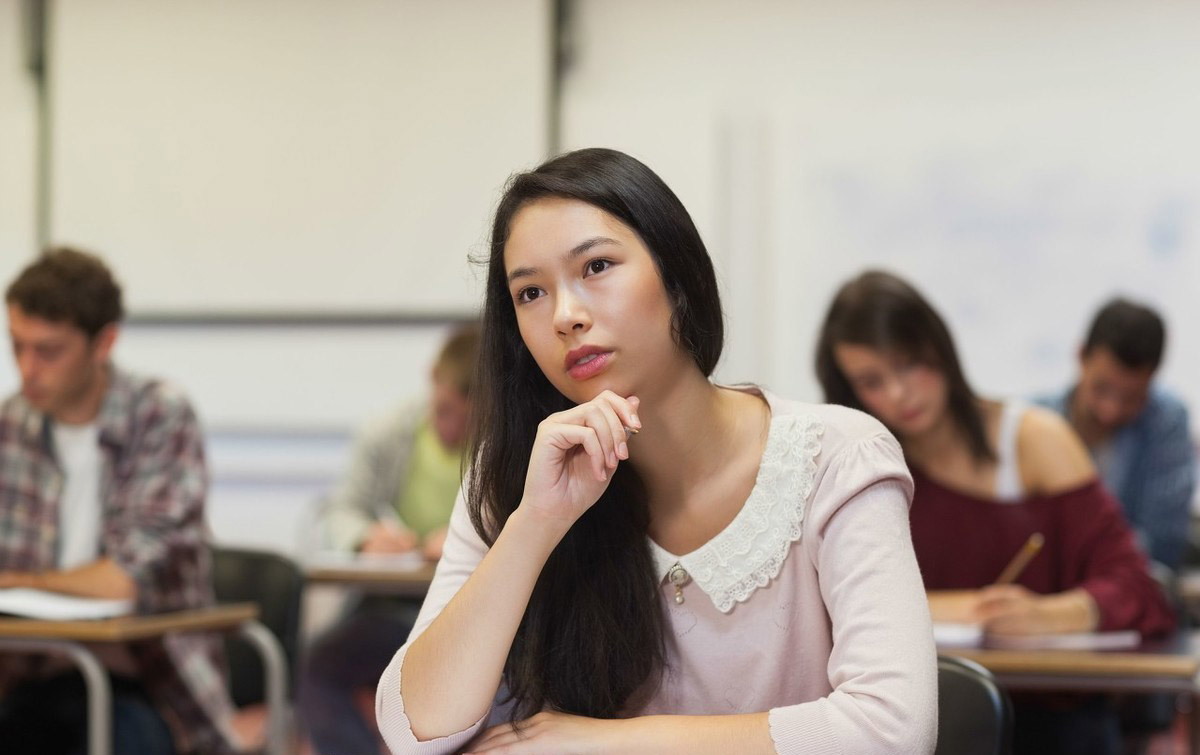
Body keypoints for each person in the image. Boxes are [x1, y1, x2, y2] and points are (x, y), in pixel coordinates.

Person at [374, 149, 937, 754]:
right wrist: (537, 522)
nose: (565, 316)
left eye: (596, 266)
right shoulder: (517, 472)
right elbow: (414, 731)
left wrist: (603, 745)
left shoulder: (838, 455)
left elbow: (892, 729)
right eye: (531, 293)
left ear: (676, 273)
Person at [815, 270, 1176, 755]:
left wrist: (1055, 614)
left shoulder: (1033, 439)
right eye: (872, 381)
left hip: (1053, 720)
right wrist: (964, 607)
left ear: (939, 349)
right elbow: (819, 607)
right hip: (913, 722)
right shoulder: (853, 463)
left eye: (909, 365)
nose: (900, 394)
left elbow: (1139, 587)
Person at [0, 248, 238, 754]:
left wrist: (19, 581)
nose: (27, 369)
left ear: (104, 342)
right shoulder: (10, 427)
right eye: (16, 346)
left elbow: (122, 580)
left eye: (48, 351)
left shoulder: (160, 416)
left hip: (147, 683)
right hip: (25, 672)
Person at [299, 322, 479, 755]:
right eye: (443, 412)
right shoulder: (389, 431)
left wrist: (467, 539)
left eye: (467, 420)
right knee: (319, 668)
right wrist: (365, 538)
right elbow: (341, 510)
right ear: (433, 379)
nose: (451, 430)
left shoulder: (507, 446)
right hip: (394, 607)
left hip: (469, 614)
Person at [1037, 298, 1196, 571]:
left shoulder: (1166, 422)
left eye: (1132, 398)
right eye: (1101, 389)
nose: (1111, 410)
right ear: (1081, 356)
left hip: (1122, 585)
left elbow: (1163, 541)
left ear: (1153, 377)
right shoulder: (1035, 421)